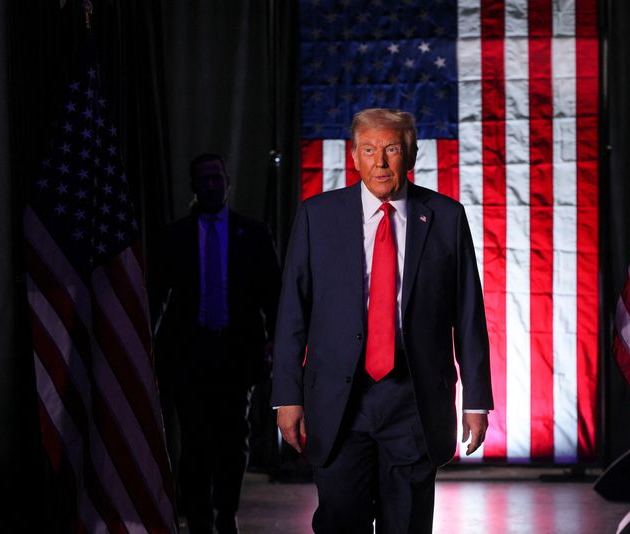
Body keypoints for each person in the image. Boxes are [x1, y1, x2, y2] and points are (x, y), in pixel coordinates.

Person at [272, 108, 493, 533]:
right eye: (369, 150)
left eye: (391, 149)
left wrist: (476, 400)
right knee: (340, 522)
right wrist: (287, 396)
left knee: (407, 525)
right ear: (353, 156)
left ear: (411, 155)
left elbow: (468, 314)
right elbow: (292, 314)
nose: (380, 162)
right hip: (339, 405)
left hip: (413, 403)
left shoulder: (445, 217)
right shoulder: (317, 216)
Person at [151, 153, 281, 534]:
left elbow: (272, 294)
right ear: (194, 186)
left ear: (228, 182)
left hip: (236, 352)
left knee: (232, 438)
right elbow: (158, 293)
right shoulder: (175, 236)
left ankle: (226, 513)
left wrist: (275, 340)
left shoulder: (253, 233)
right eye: (204, 179)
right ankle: (199, 519)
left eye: (217, 178)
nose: (211, 185)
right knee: (193, 441)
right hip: (188, 353)